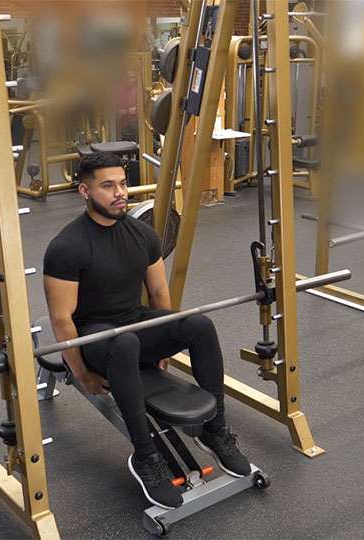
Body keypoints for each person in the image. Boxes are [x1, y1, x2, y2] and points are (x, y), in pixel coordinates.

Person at [42, 151, 250, 510]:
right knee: (124, 344)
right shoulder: (67, 247)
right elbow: (61, 319)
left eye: (122, 184)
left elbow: (158, 293)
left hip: (134, 324)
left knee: (199, 324)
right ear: (85, 191)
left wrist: (163, 345)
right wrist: (81, 374)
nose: (120, 193)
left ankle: (215, 430)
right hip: (95, 336)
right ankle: (145, 455)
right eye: (108, 186)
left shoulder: (142, 234)